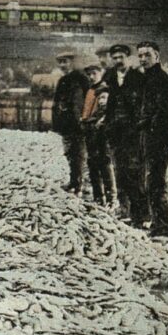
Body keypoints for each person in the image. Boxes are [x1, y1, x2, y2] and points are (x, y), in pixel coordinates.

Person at [136, 41, 168, 242]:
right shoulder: (148, 79)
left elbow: (162, 113)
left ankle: (167, 229)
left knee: (155, 181)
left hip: (160, 137)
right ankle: (158, 225)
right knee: (152, 181)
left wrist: (144, 123)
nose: (143, 59)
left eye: (147, 55)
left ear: (157, 57)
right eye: (140, 55)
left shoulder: (161, 79)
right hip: (153, 135)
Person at [105, 44, 149, 226]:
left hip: (133, 133)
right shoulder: (109, 77)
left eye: (120, 57)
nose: (117, 61)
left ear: (128, 58)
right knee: (120, 173)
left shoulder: (138, 77)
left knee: (135, 173)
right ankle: (125, 212)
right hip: (116, 133)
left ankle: (142, 215)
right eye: (114, 58)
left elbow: (143, 105)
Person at [51, 51, 89, 195]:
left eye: (65, 62)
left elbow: (86, 100)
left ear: (71, 62)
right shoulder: (63, 80)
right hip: (67, 124)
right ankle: (74, 181)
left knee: (79, 154)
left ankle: (80, 184)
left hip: (78, 124)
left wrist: (83, 121)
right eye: (60, 62)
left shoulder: (81, 78)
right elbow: (57, 102)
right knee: (70, 154)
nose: (62, 65)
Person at [80, 60, 115, 208]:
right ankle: (98, 197)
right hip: (90, 132)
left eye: (94, 73)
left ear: (101, 72)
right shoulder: (90, 90)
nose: (92, 76)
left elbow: (105, 112)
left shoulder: (105, 90)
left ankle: (111, 198)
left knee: (105, 164)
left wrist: (92, 121)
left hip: (101, 133)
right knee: (93, 164)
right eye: (89, 74)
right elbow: (87, 111)